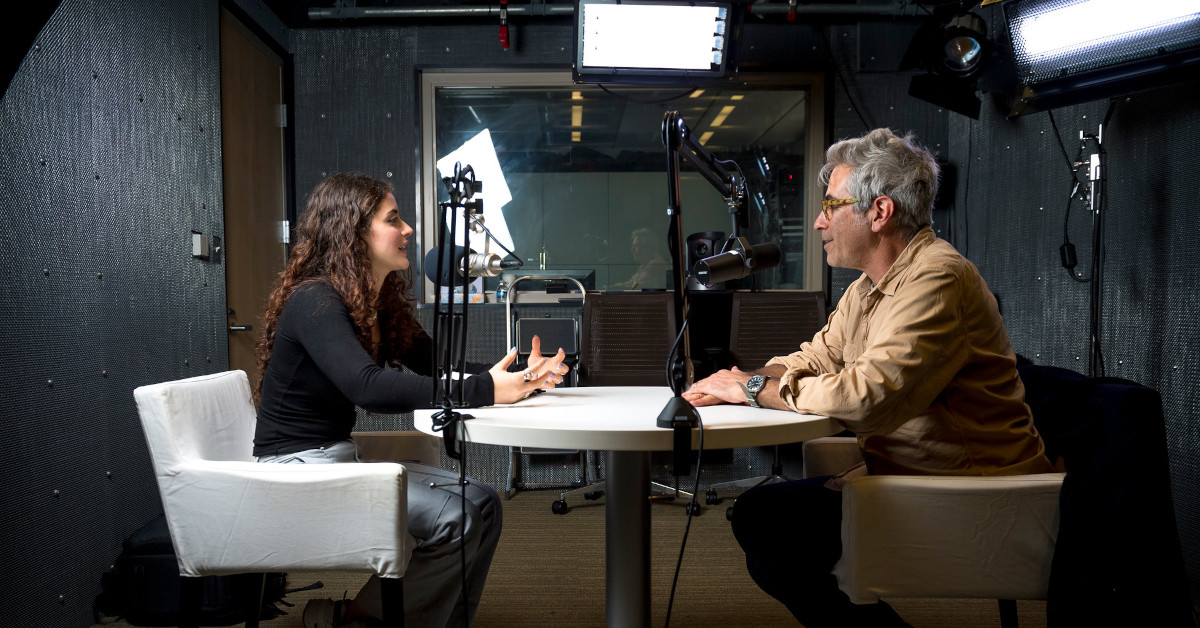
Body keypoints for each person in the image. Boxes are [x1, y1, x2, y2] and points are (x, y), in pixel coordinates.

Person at [684, 129, 1054, 627]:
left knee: (766, 522)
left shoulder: (937, 278)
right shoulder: (868, 287)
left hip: (977, 498)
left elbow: (865, 399)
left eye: (830, 205)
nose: (818, 222)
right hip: (912, 478)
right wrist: (747, 377)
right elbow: (816, 358)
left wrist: (752, 390)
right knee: (765, 522)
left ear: (878, 212)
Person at [252, 172, 568, 628]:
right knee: (456, 518)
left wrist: (520, 376)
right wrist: (486, 391)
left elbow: (440, 364)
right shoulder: (314, 301)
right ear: (353, 232)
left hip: (337, 461)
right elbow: (369, 387)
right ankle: (359, 618)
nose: (408, 231)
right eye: (393, 219)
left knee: (483, 503)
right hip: (295, 472)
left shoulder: (377, 304)